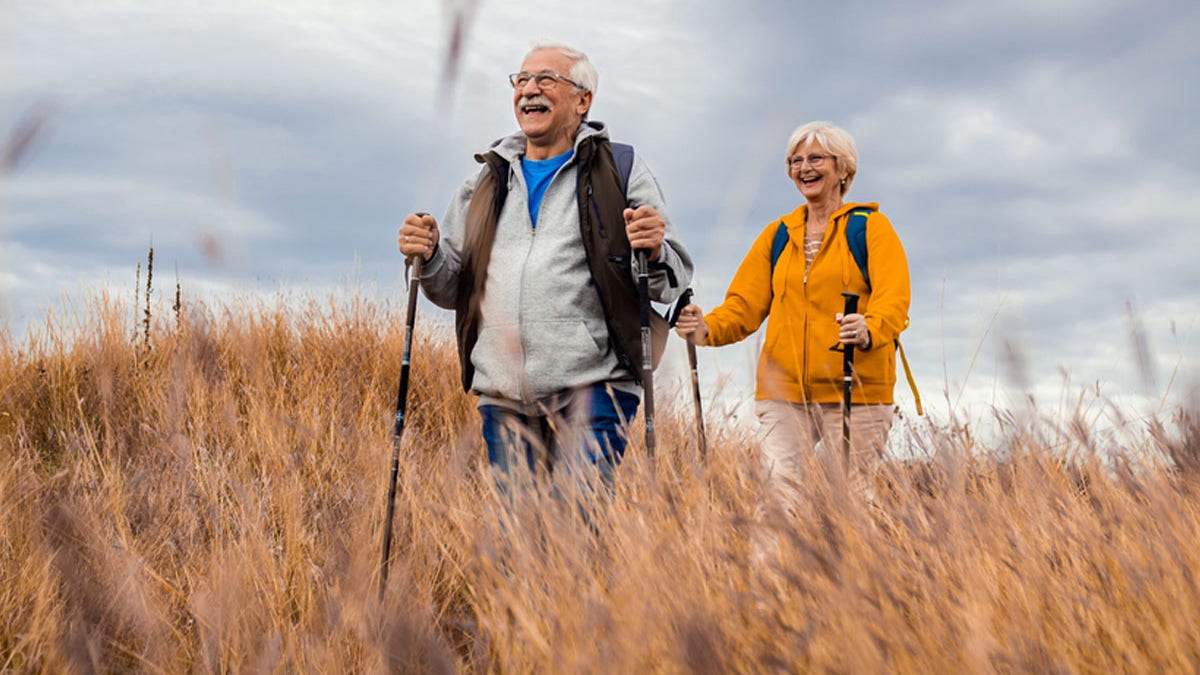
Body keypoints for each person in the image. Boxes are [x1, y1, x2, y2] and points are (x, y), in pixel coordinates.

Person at [398, 40, 692, 490]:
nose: (529, 89)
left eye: (546, 79)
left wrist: (653, 251)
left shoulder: (620, 169)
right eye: (521, 80)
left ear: (583, 100)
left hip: (596, 387)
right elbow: (451, 286)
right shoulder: (486, 180)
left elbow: (673, 278)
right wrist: (430, 254)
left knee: (575, 520)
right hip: (503, 394)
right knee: (516, 529)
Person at [673, 121, 910, 502]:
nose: (803, 168)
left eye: (815, 158)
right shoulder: (778, 235)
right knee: (779, 500)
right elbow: (743, 306)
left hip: (857, 388)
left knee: (851, 504)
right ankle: (774, 547)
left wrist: (869, 328)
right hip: (782, 392)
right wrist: (705, 328)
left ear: (843, 168)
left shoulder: (871, 229)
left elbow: (894, 299)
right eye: (794, 161)